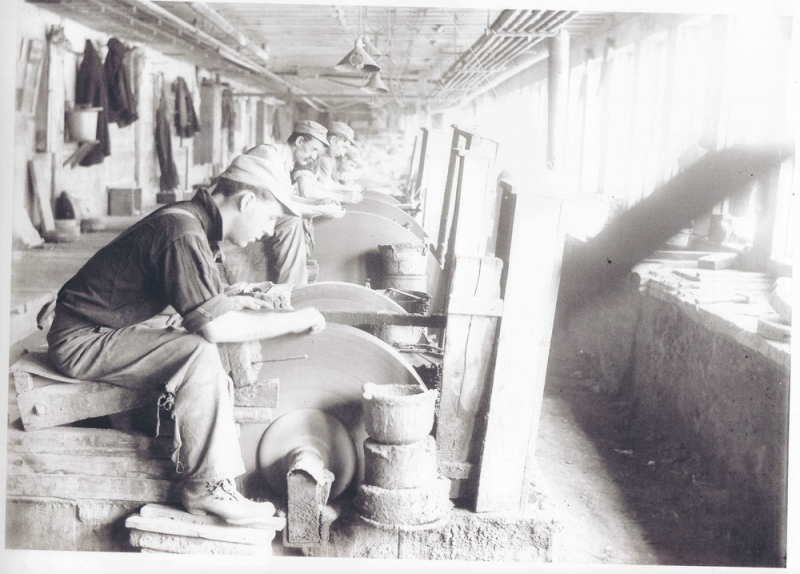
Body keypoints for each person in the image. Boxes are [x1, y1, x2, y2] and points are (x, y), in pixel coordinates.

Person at [46, 152, 327, 524]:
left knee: (195, 337)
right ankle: (207, 488)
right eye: (273, 216)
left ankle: (207, 458)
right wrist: (295, 320)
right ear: (246, 201)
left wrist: (237, 299)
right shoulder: (182, 233)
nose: (271, 229)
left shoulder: (190, 220)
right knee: (197, 351)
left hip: (102, 327)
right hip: (81, 341)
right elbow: (215, 328)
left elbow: (199, 298)